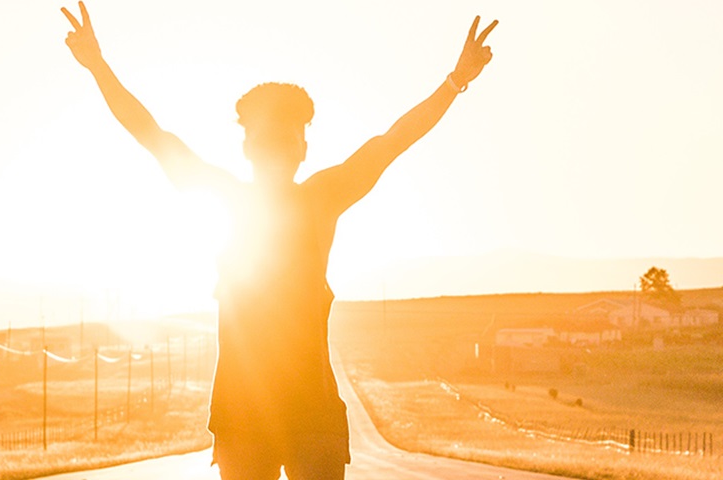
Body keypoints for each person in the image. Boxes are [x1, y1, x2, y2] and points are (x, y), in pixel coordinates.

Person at [60, 3, 497, 479]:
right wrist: (98, 66)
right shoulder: (242, 198)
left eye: (286, 136)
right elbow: (150, 132)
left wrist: (456, 81)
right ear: (248, 146)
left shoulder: (318, 196)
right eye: (268, 136)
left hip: (311, 414)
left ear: (303, 147)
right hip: (243, 415)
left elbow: (394, 140)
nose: (276, 145)